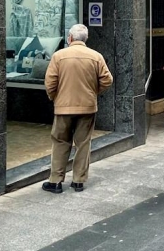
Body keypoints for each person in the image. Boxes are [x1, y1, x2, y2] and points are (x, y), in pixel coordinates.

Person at [43, 24, 113, 194]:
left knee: (60, 141)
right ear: (86, 39)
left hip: (63, 108)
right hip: (87, 107)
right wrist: (93, 92)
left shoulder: (59, 56)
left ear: (70, 38)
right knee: (83, 143)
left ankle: (56, 181)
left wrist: (55, 98)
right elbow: (107, 80)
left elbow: (50, 82)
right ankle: (78, 181)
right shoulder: (96, 56)